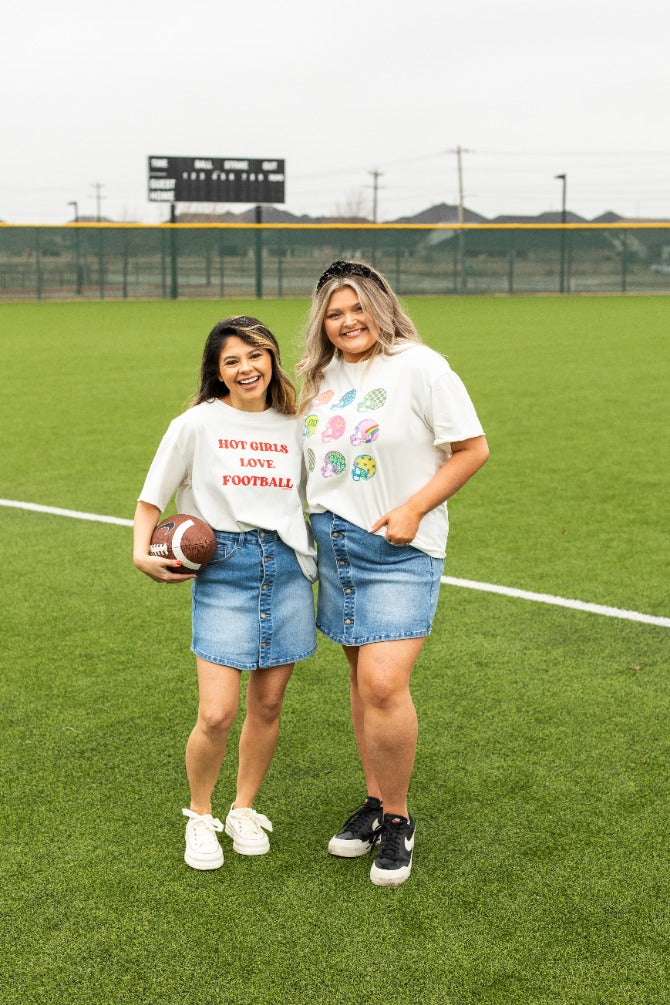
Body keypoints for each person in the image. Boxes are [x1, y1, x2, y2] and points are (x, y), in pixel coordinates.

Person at [296, 261, 489, 887]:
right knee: (362, 682)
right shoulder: (318, 377)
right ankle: (375, 801)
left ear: (382, 308)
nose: (348, 321)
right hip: (336, 547)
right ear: (322, 323)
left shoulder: (421, 366)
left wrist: (414, 508)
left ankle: (399, 818)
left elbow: (472, 449)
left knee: (383, 682)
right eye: (335, 313)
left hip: (400, 547)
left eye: (358, 308)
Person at [133, 316, 316, 871]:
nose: (246, 368)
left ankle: (243, 808)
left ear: (273, 360)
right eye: (232, 360)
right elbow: (151, 498)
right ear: (217, 371)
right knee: (216, 713)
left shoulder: (297, 424)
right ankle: (200, 814)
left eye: (255, 355)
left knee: (268, 704)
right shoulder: (195, 424)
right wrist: (141, 551)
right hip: (224, 569)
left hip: (286, 567)